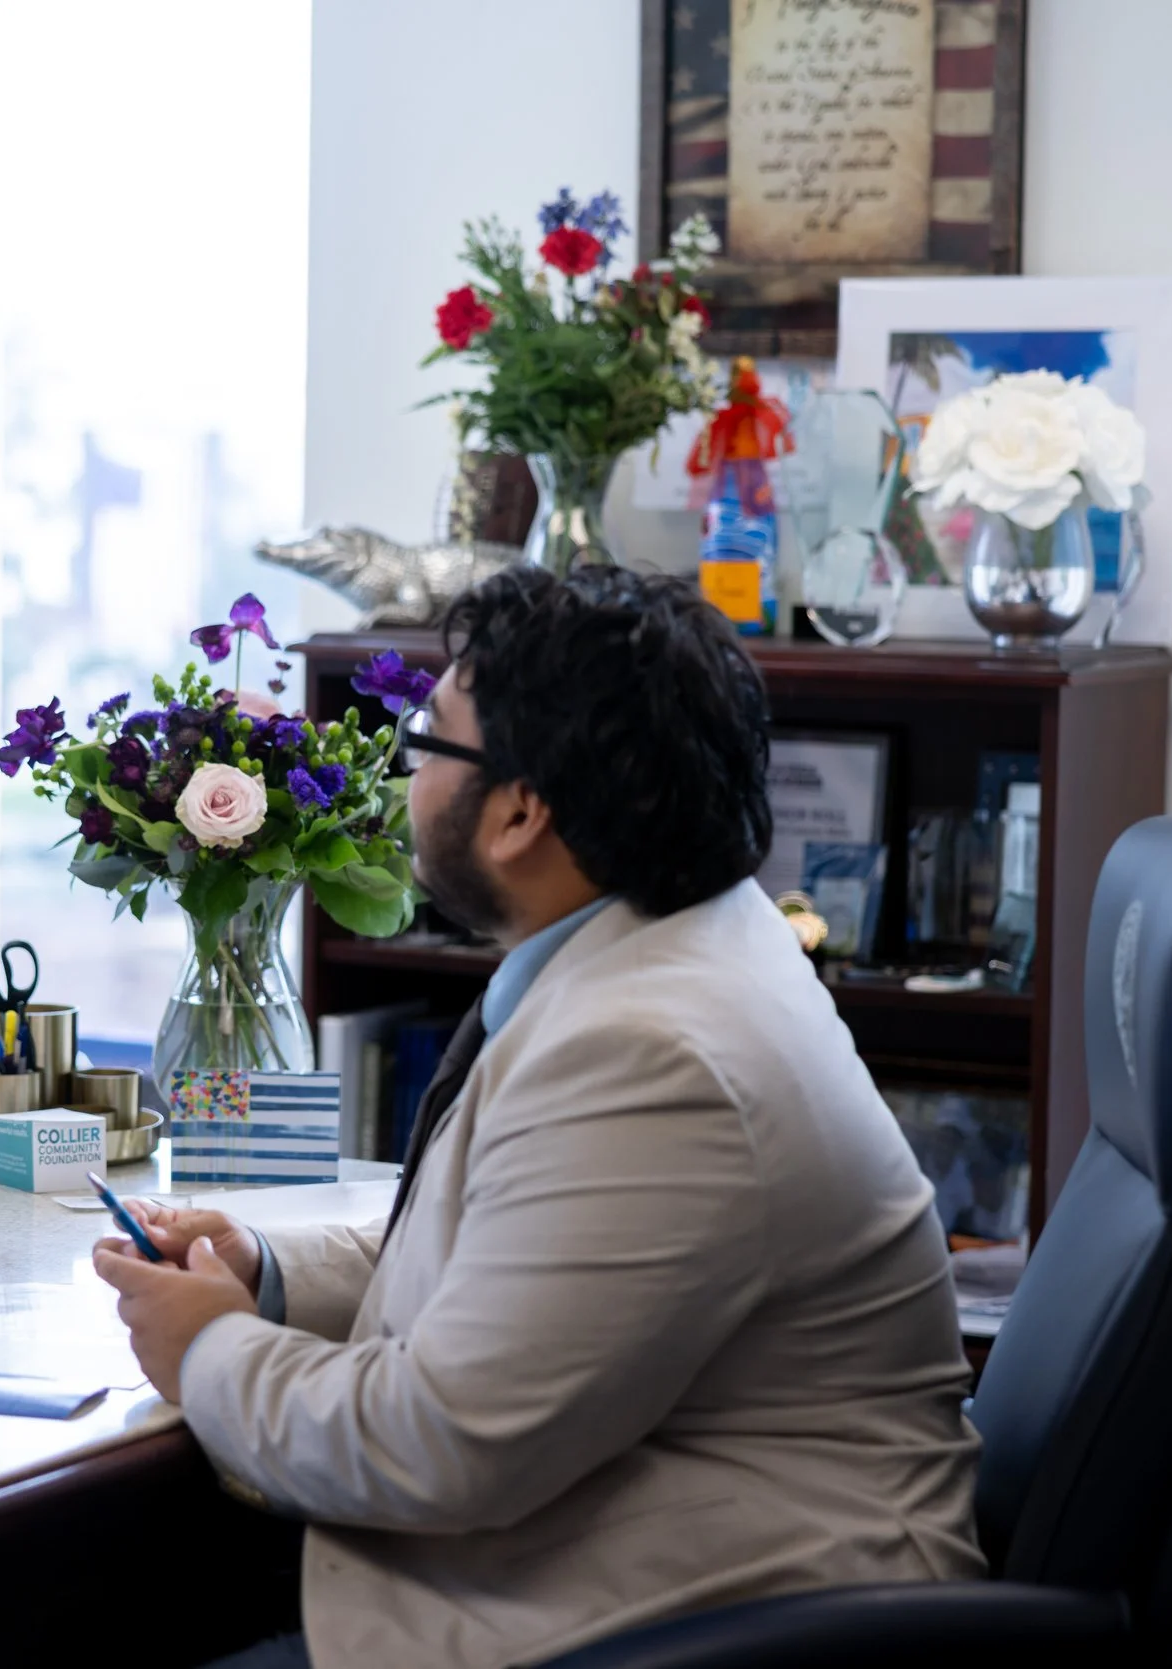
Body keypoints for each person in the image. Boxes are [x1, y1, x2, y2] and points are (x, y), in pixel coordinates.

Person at [93, 566, 983, 1668]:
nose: (403, 775)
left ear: (520, 810)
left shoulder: (654, 1055)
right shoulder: (688, 943)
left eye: (428, 741)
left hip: (699, 1620)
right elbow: (525, 1248)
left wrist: (208, 1350)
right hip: (649, 1570)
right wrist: (267, 1269)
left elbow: (434, 1444)